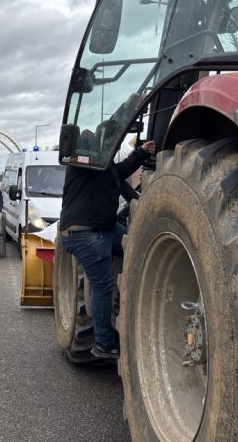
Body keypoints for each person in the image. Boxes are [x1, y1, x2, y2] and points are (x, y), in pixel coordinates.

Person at [59, 140, 156, 359]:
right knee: (102, 285)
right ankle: (104, 343)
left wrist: (140, 153)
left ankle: (123, 297)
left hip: (106, 230)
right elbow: (98, 162)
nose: (115, 146)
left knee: (135, 244)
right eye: (113, 141)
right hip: (85, 234)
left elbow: (120, 173)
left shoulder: (108, 167)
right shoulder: (83, 159)